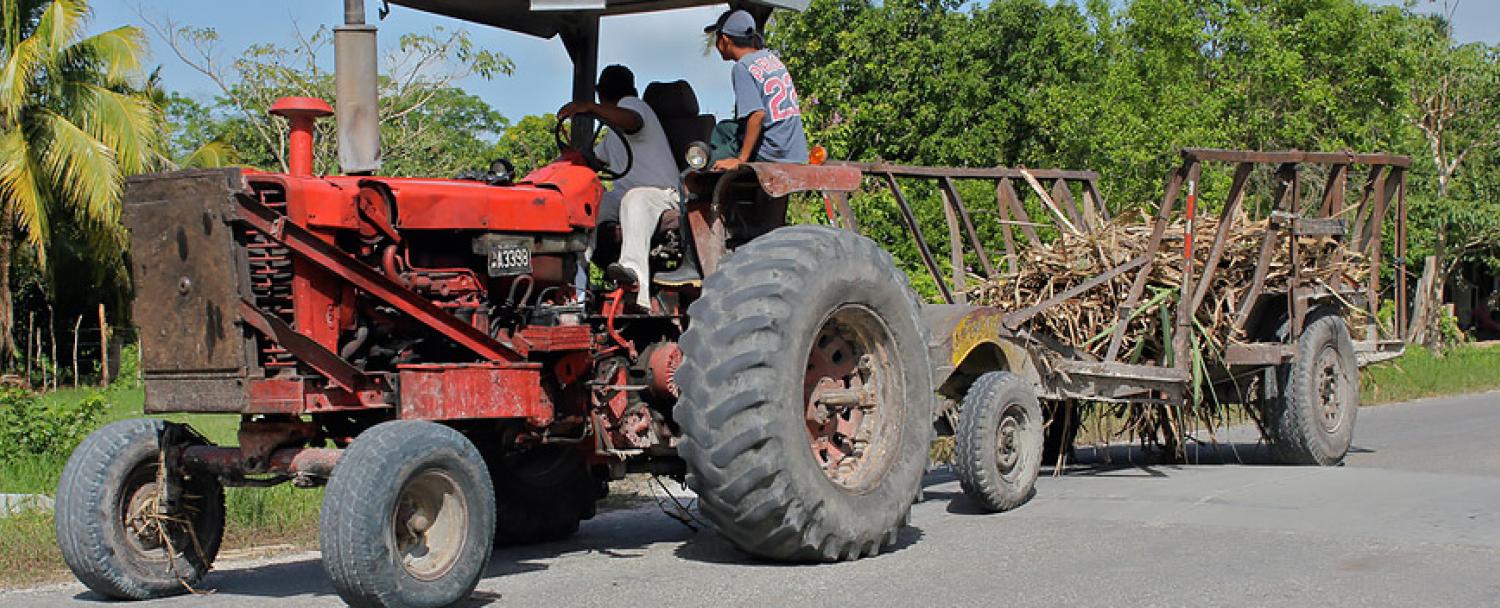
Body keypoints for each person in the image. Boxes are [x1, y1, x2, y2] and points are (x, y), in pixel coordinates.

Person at [558, 65, 680, 310]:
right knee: (592, 204)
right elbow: (593, 161)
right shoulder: (611, 132)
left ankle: (634, 279)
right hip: (627, 198)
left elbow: (632, 121)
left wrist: (589, 107)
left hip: (662, 195)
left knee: (634, 199)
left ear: (599, 93)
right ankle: (575, 276)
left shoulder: (634, 106)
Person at [705, 9, 809, 170]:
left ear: (725, 39)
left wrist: (741, 160)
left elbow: (757, 115)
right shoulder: (771, 58)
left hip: (770, 153)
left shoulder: (743, 67)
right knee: (723, 129)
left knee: (701, 169)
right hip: (794, 151)